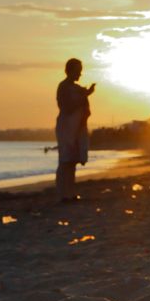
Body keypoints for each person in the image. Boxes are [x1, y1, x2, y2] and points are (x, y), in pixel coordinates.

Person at [55, 58, 95, 202]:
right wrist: (85, 94)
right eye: (77, 71)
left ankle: (70, 194)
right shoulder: (63, 87)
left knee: (72, 161)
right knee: (65, 161)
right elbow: (67, 107)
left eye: (80, 71)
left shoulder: (77, 88)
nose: (79, 74)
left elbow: (85, 110)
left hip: (77, 128)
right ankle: (62, 195)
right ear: (69, 71)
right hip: (66, 127)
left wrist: (85, 94)